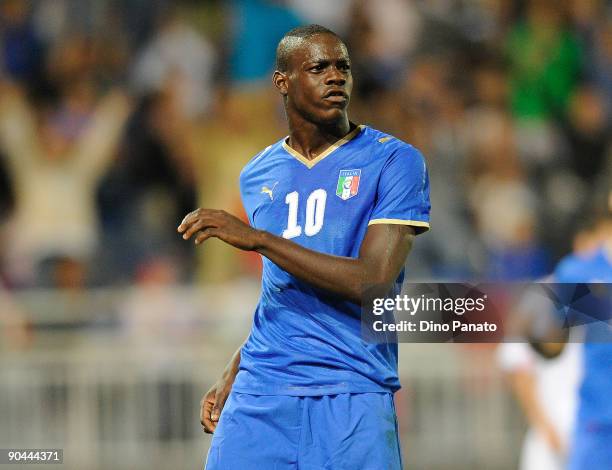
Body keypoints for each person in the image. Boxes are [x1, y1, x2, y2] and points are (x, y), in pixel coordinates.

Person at [178, 25, 430, 469]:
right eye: (319, 67)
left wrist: (258, 240)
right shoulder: (258, 174)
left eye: (343, 67)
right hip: (263, 388)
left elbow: (373, 281)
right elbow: (283, 286)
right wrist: (236, 367)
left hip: (351, 387)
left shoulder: (394, 161)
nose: (336, 77)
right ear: (282, 82)